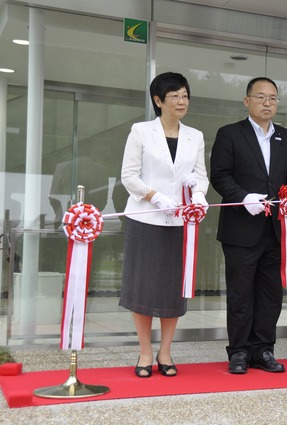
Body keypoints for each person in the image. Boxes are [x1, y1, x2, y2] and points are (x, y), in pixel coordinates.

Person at [210, 77, 287, 375]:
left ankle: (264, 350)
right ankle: (239, 352)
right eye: (261, 97)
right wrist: (243, 197)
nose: (267, 103)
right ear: (247, 101)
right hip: (241, 228)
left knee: (270, 295)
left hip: (276, 229)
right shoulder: (230, 134)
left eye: (273, 98)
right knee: (241, 294)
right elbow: (220, 175)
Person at [120, 72, 209, 377]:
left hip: (180, 223)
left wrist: (198, 195)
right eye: (175, 96)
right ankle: (145, 352)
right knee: (143, 286)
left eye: (185, 95)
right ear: (158, 101)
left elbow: (200, 176)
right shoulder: (141, 132)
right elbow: (129, 175)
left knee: (174, 288)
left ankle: (166, 352)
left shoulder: (194, 136)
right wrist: (154, 196)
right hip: (145, 218)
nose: (182, 101)